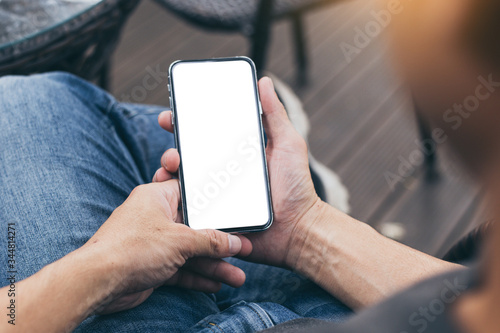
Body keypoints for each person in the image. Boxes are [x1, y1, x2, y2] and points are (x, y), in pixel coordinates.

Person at [0, 1, 498, 333]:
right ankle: (316, 192)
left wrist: (97, 269)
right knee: (150, 144)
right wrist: (306, 228)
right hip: (352, 297)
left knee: (30, 101)